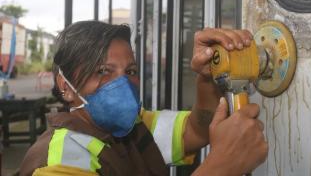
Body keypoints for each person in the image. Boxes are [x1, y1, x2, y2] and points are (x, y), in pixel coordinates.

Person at [20, 21, 268, 176]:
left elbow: (196, 131)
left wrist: (206, 76)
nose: (123, 83)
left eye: (130, 72)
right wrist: (221, 167)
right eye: (103, 71)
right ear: (66, 86)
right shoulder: (57, 162)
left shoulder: (133, 127)